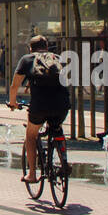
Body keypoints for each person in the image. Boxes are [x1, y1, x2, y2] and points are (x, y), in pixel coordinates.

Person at [7, 35, 70, 184]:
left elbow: (15, 86)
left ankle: (32, 174)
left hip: (40, 106)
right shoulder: (58, 58)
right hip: (61, 104)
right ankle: (64, 160)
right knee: (57, 128)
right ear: (47, 47)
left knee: (31, 135)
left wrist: (13, 103)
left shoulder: (27, 59)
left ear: (30, 48)